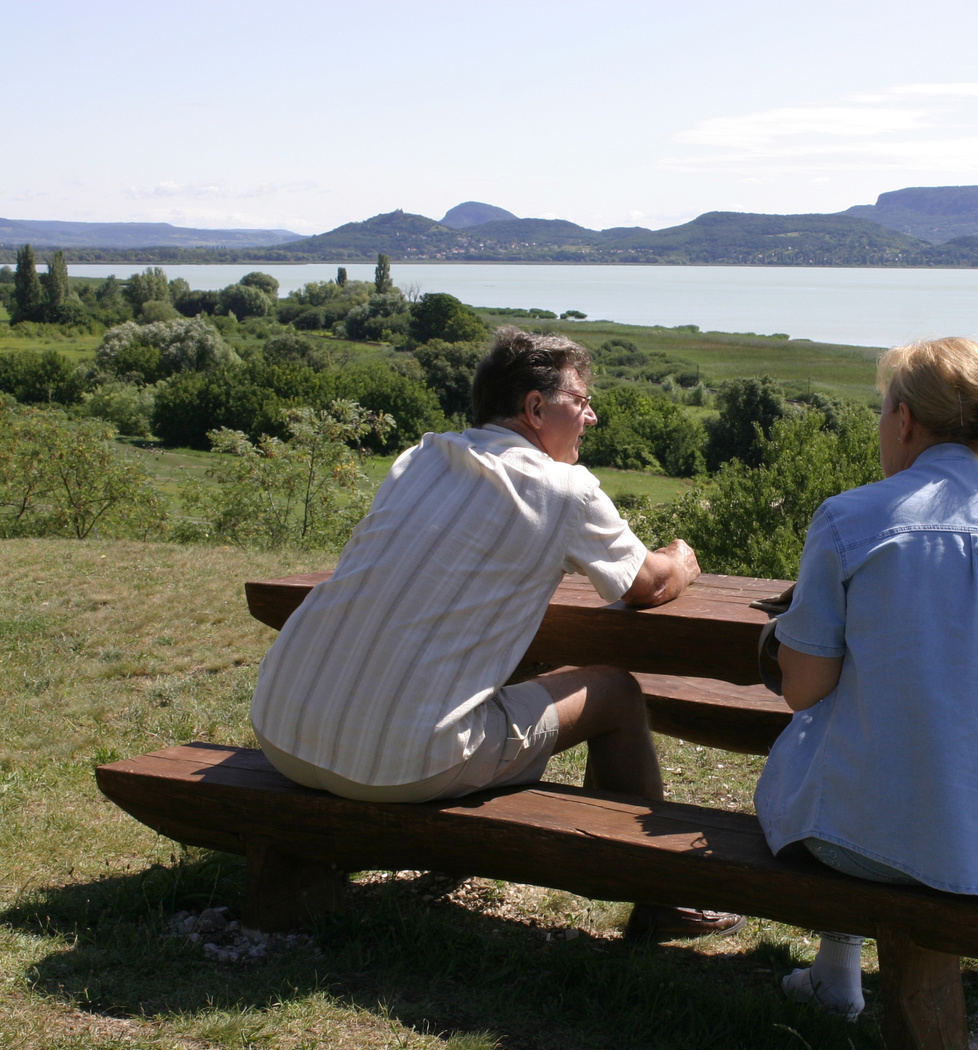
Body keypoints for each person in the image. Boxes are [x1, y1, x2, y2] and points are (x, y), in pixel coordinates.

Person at [250, 326, 741, 940]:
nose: (592, 415)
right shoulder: (565, 489)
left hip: (284, 726)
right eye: (580, 400)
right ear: (535, 408)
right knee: (616, 692)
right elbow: (648, 584)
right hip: (404, 762)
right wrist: (684, 558)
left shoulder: (421, 458)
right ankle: (660, 896)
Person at [754, 337, 978, 1019]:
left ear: (904, 419)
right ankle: (836, 969)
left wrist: (780, 637)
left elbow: (803, 688)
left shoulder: (851, 518)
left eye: (883, 411)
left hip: (873, 847)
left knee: (834, 757)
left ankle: (837, 968)